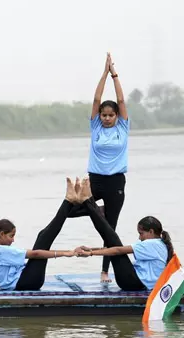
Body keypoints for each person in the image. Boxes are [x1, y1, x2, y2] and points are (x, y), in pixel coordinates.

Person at [68, 53, 130, 283]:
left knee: (109, 228)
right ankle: (97, 210)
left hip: (115, 182)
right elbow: (96, 99)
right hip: (95, 180)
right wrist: (103, 73)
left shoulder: (123, 127)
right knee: (72, 210)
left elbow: (121, 101)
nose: (106, 118)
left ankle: (105, 271)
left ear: (117, 116)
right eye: (103, 115)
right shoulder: (95, 126)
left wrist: (114, 75)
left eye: (110, 115)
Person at [74, 178, 173, 291]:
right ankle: (88, 201)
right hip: (134, 282)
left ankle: (88, 201)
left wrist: (91, 253)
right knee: (112, 238)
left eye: (141, 233)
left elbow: (117, 250)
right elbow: (118, 249)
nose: (140, 237)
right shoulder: (159, 244)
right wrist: (91, 249)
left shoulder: (153, 244)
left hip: (133, 282)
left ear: (151, 231)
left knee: (111, 236)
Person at [0, 178, 80, 291]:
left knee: (42, 235)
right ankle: (68, 201)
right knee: (44, 238)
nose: (13, 240)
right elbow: (35, 254)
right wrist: (65, 253)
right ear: (1, 234)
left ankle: (69, 202)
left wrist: (65, 252)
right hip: (26, 282)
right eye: (11, 236)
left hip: (25, 279)